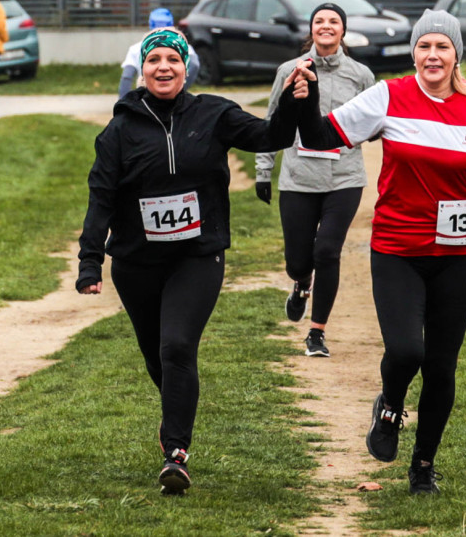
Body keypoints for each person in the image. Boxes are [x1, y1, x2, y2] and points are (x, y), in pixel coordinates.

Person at [289, 9, 466, 495]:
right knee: (406, 350)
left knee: (442, 365)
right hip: (398, 248)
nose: (433, 55)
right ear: (413, 54)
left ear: (456, 54)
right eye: (424, 47)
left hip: (458, 254)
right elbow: (321, 137)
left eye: (442, 47)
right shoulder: (390, 96)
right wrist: (306, 99)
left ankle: (423, 466)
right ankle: (389, 406)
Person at [76, 28, 308, 495]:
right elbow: (100, 199)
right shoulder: (119, 130)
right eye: (155, 60)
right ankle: (174, 418)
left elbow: (270, 135)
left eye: (173, 60)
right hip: (137, 263)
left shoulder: (214, 113)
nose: (164, 67)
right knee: (157, 357)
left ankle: (175, 454)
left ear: (187, 67)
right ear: (142, 69)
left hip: (198, 256)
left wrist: (293, 100)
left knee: (177, 345)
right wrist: (89, 262)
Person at [254, 3, 375, 358]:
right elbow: (272, 121)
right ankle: (301, 283)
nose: (326, 26)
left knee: (327, 252)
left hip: (345, 179)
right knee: (298, 260)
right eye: (319, 21)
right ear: (311, 30)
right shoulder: (289, 71)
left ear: (343, 30)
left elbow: (376, 118)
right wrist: (264, 170)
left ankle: (317, 332)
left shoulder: (361, 74)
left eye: (334, 21)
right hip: (298, 179)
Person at [119, 9, 199, 97]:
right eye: (153, 60)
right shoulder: (183, 46)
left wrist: (124, 103)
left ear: (150, 24)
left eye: (173, 59)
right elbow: (194, 64)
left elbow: (127, 76)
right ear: (172, 24)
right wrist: (179, 88)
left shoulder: (136, 48)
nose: (163, 67)